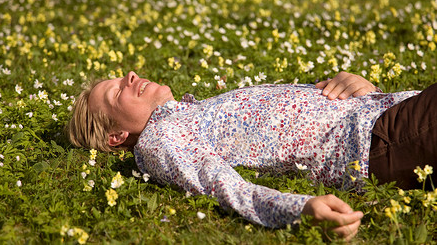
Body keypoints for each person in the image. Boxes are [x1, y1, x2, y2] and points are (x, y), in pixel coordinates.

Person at [68, 71, 436, 241]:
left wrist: (365, 91)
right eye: (118, 92)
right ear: (117, 137)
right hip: (380, 140)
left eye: (122, 77)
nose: (131, 76)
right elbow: (220, 184)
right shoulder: (160, 139)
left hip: (390, 116)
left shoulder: (188, 114)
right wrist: (299, 209)